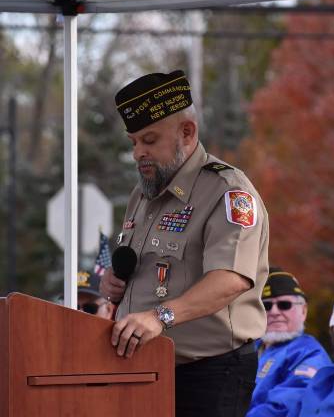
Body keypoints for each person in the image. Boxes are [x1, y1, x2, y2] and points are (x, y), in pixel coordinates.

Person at [99, 70, 269, 417]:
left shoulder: (226, 191)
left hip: (209, 372)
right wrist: (115, 285)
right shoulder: (144, 194)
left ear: (187, 133)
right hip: (144, 367)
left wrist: (159, 317)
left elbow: (231, 278)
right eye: (133, 142)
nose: (138, 153)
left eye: (149, 140)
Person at [246, 268, 331, 416]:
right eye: (266, 306)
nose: (274, 312)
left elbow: (287, 407)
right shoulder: (248, 348)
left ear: (303, 311)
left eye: (284, 305)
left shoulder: (309, 354)